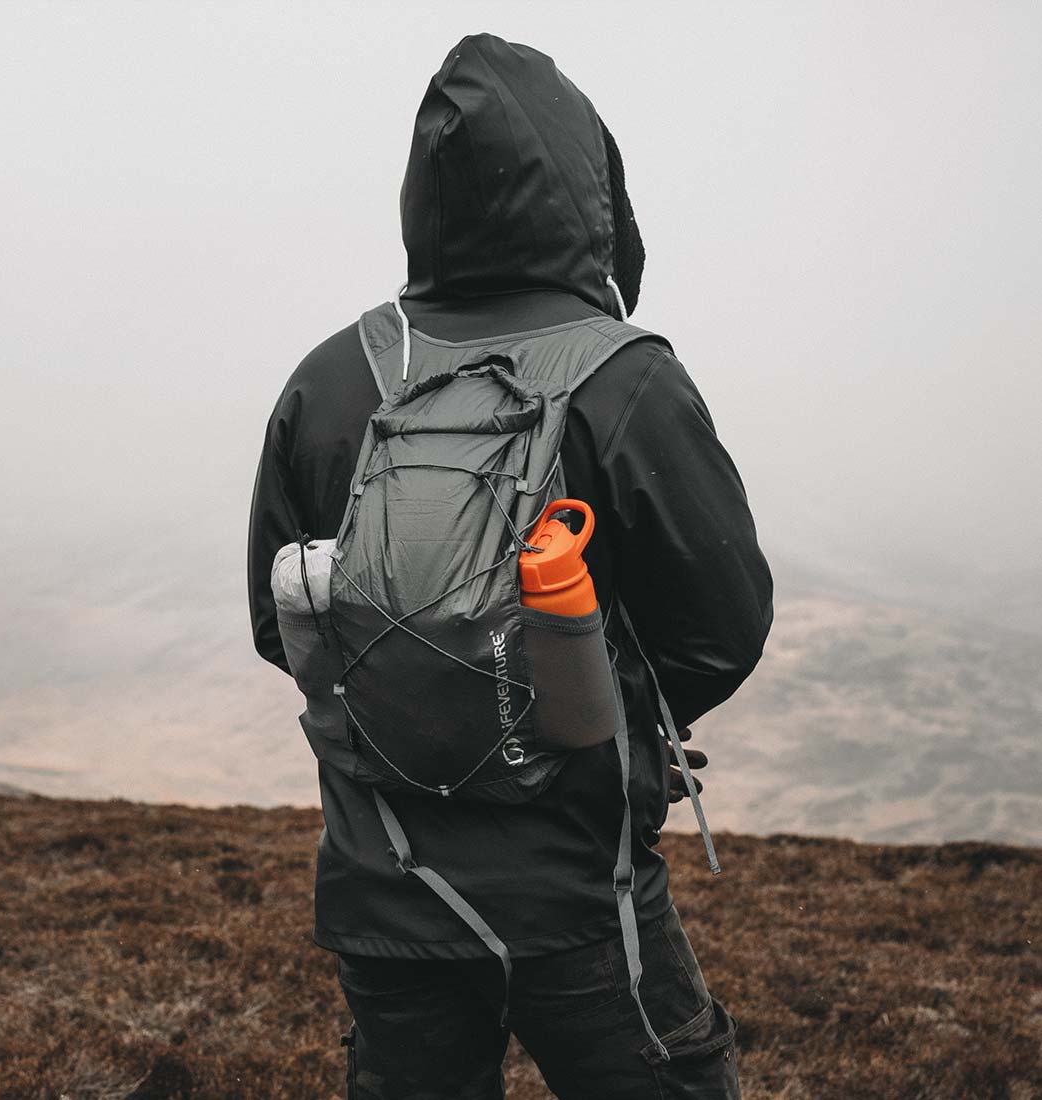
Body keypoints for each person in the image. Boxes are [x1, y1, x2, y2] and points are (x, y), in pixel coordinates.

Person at [248, 32, 772, 1100]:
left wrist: (418, 712)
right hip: (579, 887)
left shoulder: (330, 375)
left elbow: (282, 618)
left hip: (384, 883)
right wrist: (600, 715)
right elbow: (721, 625)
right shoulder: (625, 378)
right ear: (588, 194)